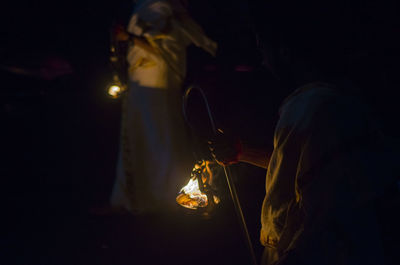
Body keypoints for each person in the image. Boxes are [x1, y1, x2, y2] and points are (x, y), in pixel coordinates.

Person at [209, 1, 400, 264]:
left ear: (284, 51)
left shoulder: (313, 108)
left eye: (263, 48)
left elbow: (322, 216)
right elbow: (304, 171)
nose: (263, 61)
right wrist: (241, 152)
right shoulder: (339, 99)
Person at [110, 0, 217, 215]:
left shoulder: (163, 9)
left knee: (159, 133)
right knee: (143, 133)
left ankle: (165, 195)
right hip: (142, 79)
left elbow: (162, 47)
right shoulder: (148, 7)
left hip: (155, 79)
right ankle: (140, 196)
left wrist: (129, 37)